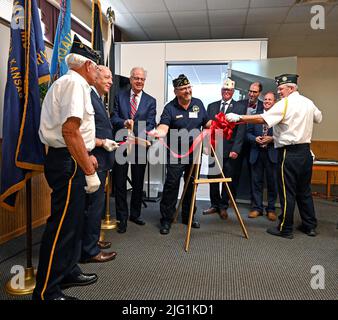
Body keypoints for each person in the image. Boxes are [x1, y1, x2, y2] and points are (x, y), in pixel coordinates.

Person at [33, 35, 101, 300]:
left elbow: (77, 134)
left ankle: (68, 270)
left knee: (72, 224)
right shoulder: (75, 83)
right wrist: (89, 169)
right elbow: (70, 131)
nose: (97, 71)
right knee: (61, 227)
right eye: (96, 67)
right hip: (67, 162)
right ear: (86, 66)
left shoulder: (75, 83)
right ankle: (46, 291)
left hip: (71, 157)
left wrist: (87, 156)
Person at [226, 74, 322, 239]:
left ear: (291, 88)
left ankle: (285, 228)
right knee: (304, 190)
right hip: (305, 152)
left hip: (289, 153)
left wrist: (239, 118)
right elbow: (318, 118)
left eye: (281, 88)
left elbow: (262, 118)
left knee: (287, 192)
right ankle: (310, 225)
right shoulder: (308, 102)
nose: (279, 92)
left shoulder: (284, 103)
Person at [153, 74, 212, 235]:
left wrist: (220, 122)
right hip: (176, 155)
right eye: (183, 89)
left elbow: (207, 123)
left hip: (195, 154)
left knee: (192, 185)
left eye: (188, 87)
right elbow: (164, 126)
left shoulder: (198, 104)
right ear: (176, 91)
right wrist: (157, 132)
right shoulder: (170, 108)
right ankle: (166, 218)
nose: (187, 91)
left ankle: (188, 216)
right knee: (172, 185)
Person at [80, 66, 118, 263]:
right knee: (94, 206)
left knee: (95, 205)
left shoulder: (97, 97)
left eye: (111, 77)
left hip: (101, 159)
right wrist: (97, 145)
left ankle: (91, 240)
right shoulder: (87, 95)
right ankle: (90, 250)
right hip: (94, 159)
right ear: (95, 77)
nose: (111, 81)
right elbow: (80, 129)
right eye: (107, 77)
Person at [111, 67, 156, 234]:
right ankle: (122, 217)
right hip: (121, 145)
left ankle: (135, 214)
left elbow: (151, 124)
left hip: (139, 147)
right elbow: (113, 117)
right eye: (136, 78)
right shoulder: (119, 96)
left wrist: (135, 129)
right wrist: (124, 123)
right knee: (120, 183)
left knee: (138, 183)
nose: (139, 81)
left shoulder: (151, 101)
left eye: (142, 79)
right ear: (130, 80)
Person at [203, 78, 246, 220]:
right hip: (214, 149)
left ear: (233, 92)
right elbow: (207, 128)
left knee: (227, 179)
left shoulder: (239, 108)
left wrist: (236, 149)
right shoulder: (212, 106)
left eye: (229, 90)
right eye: (224, 89)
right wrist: (206, 145)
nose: (226, 92)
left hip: (230, 149)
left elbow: (241, 130)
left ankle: (223, 206)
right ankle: (214, 204)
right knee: (213, 178)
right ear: (221, 91)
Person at [246, 91, 278, 221]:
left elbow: (284, 135)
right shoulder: (255, 116)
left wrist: (272, 138)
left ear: (274, 102)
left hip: (272, 153)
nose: (267, 101)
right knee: (256, 182)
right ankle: (257, 208)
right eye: (265, 99)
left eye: (270, 99)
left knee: (272, 183)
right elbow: (247, 133)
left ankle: (271, 209)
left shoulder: (278, 117)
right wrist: (255, 139)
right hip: (256, 153)